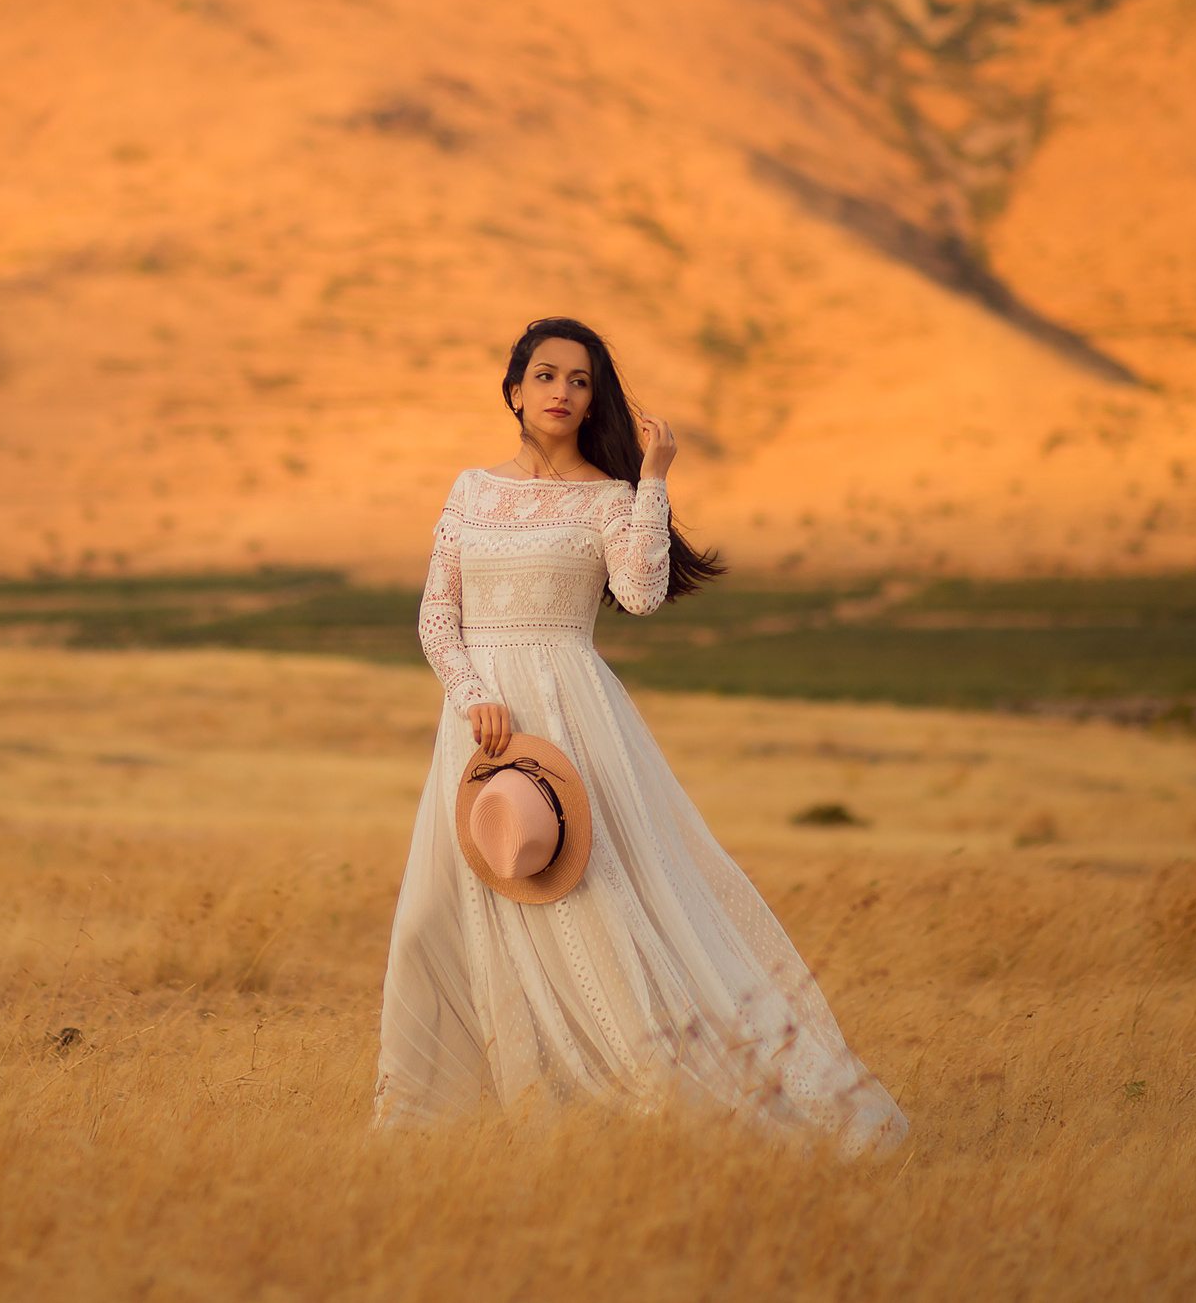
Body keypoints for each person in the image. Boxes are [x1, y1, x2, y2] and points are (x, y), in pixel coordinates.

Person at [374, 316, 908, 1152]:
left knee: (599, 915)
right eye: (545, 375)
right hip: (477, 729)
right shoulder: (470, 490)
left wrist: (653, 478)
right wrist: (472, 690)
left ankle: (669, 1103)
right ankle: (427, 1123)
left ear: (595, 400)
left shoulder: (607, 497)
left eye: (580, 380)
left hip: (571, 718)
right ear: (513, 390)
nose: (561, 392)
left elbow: (643, 590)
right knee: (433, 915)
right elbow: (438, 612)